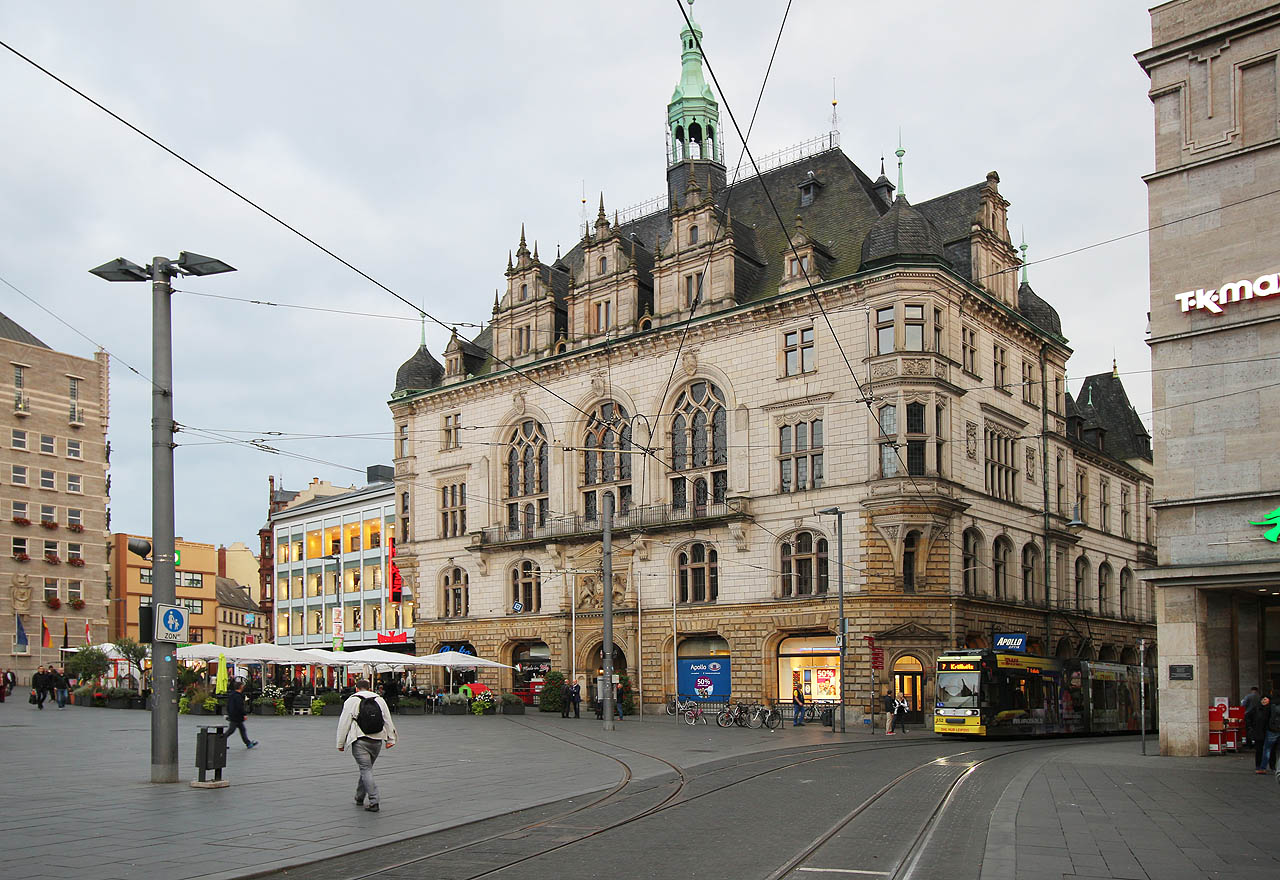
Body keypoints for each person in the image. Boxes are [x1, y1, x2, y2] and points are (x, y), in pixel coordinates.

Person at [337, 678, 397, 813]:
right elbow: (387, 719)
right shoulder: (379, 700)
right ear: (369, 687)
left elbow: (344, 723)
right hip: (377, 740)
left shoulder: (351, 701)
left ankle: (374, 801)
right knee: (366, 769)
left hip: (360, 739)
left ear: (356, 688)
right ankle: (359, 797)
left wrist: (340, 743)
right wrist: (391, 739)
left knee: (365, 769)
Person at [223, 680, 258, 749]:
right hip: (236, 716)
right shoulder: (238, 696)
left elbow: (228, 705)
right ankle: (220, 742)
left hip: (233, 715)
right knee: (231, 730)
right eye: (242, 686)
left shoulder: (232, 695)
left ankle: (248, 743)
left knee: (242, 729)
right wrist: (244, 714)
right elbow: (240, 706)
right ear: (240, 687)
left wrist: (229, 713)